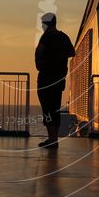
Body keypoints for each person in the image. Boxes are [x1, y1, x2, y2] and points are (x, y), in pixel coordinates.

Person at [35, 13, 75, 148]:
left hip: (46, 77)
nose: (41, 26)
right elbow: (71, 52)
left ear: (46, 24)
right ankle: (54, 139)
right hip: (59, 79)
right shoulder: (64, 37)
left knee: (47, 108)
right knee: (55, 108)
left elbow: (39, 52)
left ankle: (51, 138)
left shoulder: (46, 37)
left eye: (42, 24)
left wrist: (43, 63)